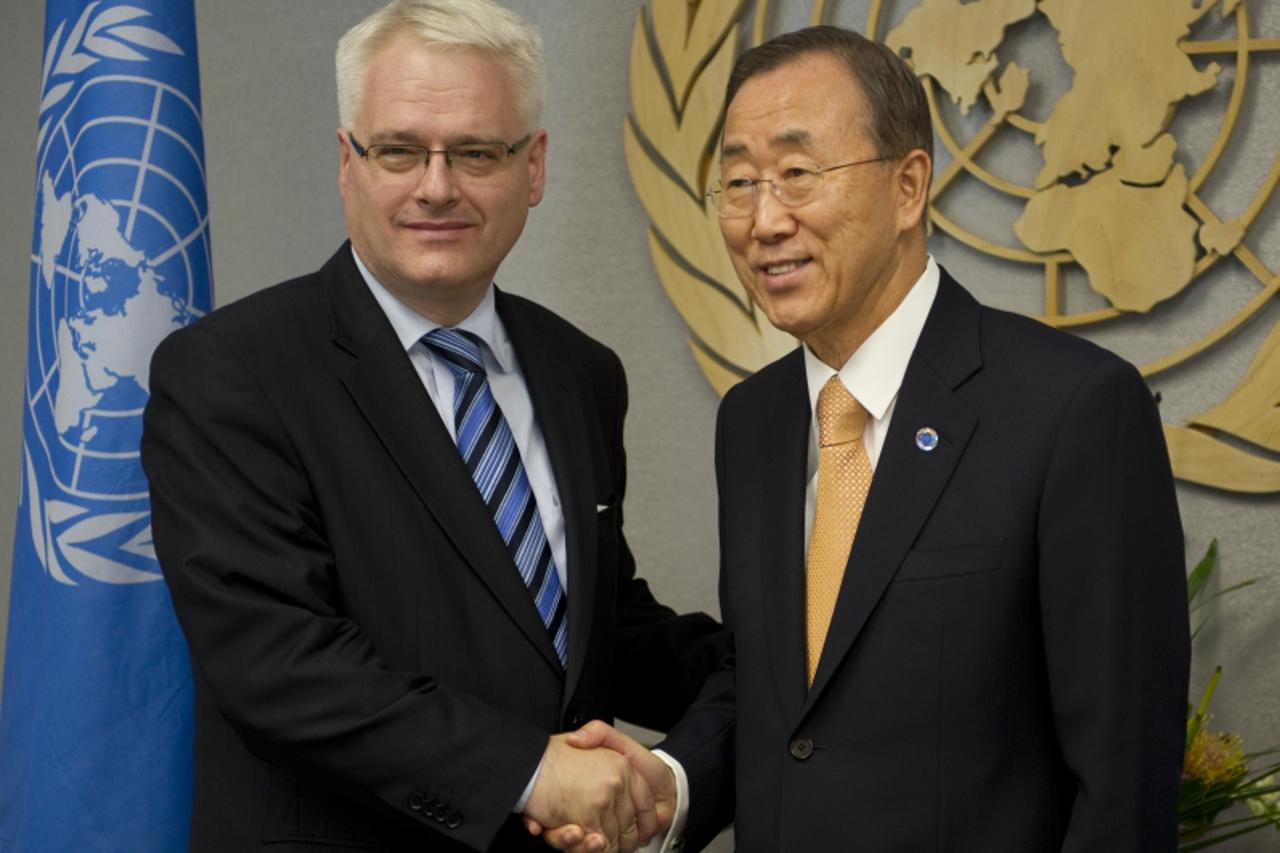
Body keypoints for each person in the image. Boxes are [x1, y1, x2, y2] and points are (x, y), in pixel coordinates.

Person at [546, 24, 1190, 852]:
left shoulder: (1074, 409)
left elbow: (1124, 783)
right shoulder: (754, 420)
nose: (763, 219)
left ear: (909, 186)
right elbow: (777, 688)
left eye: (797, 174)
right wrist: (668, 788)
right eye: (738, 181)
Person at [140, 2, 727, 851]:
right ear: (348, 162)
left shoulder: (581, 373)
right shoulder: (231, 371)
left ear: (534, 167)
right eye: (400, 149)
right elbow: (278, 664)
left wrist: (785, 670)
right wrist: (534, 770)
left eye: (478, 152)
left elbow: (581, 625)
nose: (437, 185)